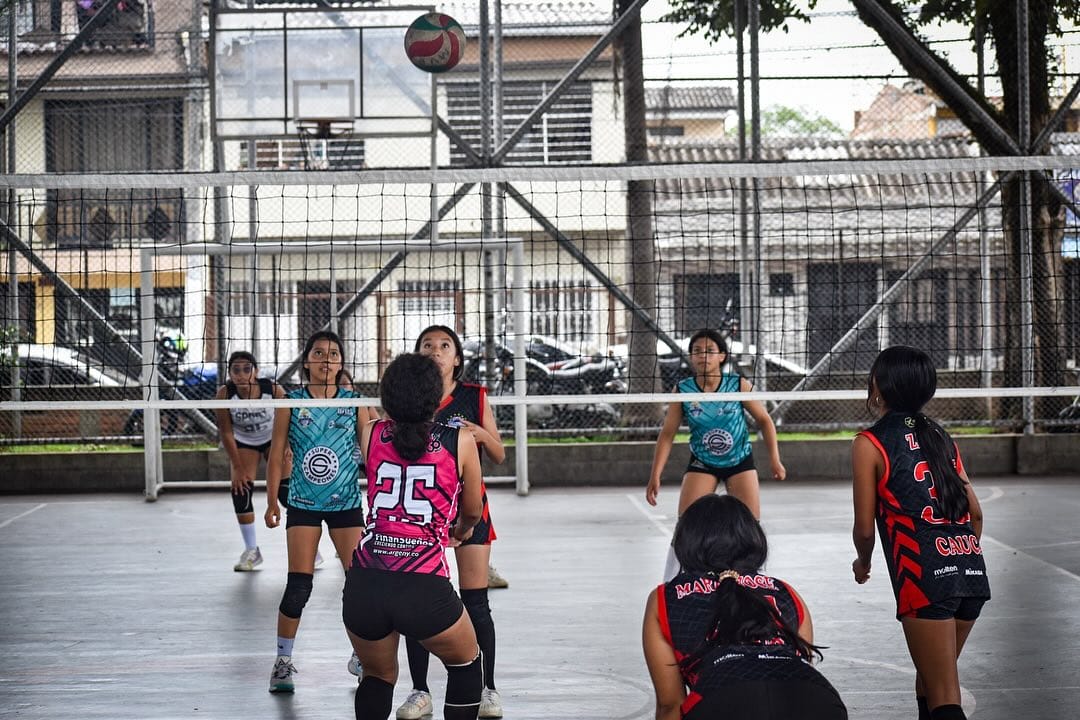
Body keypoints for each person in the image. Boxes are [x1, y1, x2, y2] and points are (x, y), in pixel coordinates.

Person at [343, 352, 484, 720]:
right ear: (436, 398)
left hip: (365, 582)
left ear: (387, 397)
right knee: (467, 663)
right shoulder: (460, 441)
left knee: (377, 676)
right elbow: (473, 511)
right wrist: (462, 530)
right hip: (423, 586)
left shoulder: (371, 433)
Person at [851, 346, 990, 720]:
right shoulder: (941, 435)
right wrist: (959, 553)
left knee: (944, 692)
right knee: (931, 680)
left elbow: (865, 529)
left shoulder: (870, 442)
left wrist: (862, 562)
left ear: (878, 385)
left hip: (925, 579)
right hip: (970, 571)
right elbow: (975, 513)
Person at [643, 493, 846, 720]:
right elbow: (798, 666)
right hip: (817, 698)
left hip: (724, 699)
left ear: (686, 543)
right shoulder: (787, 593)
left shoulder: (665, 598)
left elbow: (671, 706)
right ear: (754, 540)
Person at [396, 325, 506, 719]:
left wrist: (478, 433)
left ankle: (488, 688)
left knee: (476, 601)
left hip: (469, 511)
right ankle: (419, 690)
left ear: (457, 358)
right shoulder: (407, 400)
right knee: (416, 602)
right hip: (423, 515)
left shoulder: (473, 397)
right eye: (428, 345)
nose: (436, 351)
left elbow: (498, 454)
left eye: (445, 346)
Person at [264, 330, 374, 693]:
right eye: (318, 353)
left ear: (341, 363)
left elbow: (374, 453)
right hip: (303, 504)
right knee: (299, 585)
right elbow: (277, 452)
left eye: (333, 355)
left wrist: (379, 500)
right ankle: (282, 662)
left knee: (358, 584)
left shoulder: (355, 401)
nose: (326, 361)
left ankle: (361, 656)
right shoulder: (290, 401)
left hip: (346, 504)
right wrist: (269, 502)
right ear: (306, 360)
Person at [645, 328, 786, 581]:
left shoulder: (737, 385)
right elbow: (667, 434)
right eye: (697, 351)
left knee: (750, 526)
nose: (703, 356)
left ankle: (752, 581)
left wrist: (775, 459)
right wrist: (655, 475)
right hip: (703, 462)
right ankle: (675, 581)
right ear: (691, 357)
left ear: (722, 356)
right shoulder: (684, 390)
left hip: (739, 461)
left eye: (710, 351)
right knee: (686, 524)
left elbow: (765, 420)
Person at [214, 350, 286, 572]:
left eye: (246, 369)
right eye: (236, 370)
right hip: (245, 442)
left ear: (255, 371)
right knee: (240, 489)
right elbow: (226, 432)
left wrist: (289, 446)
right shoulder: (225, 394)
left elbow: (290, 416)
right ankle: (252, 551)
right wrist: (236, 467)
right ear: (230, 373)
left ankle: (306, 544)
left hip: (274, 437)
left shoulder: (272, 389)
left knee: (287, 492)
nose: (241, 374)